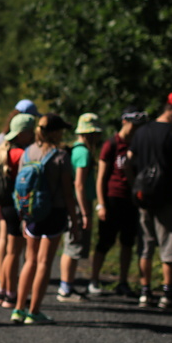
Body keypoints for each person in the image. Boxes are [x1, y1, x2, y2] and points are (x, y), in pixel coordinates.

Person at [12, 114, 80, 325]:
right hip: (54, 213)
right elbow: (68, 193)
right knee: (44, 262)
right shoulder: (60, 156)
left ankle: (18, 309)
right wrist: (75, 221)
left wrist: (24, 216)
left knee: (29, 260)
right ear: (56, 132)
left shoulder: (28, 152)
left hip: (32, 213)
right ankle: (34, 312)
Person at [127, 93, 172, 308]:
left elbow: (129, 159)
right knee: (168, 244)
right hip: (168, 196)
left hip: (143, 196)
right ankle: (167, 293)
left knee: (145, 244)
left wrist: (134, 183)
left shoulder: (142, 131)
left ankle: (145, 292)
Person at [91, 106, 147, 298]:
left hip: (130, 200)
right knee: (105, 241)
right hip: (112, 198)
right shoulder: (111, 144)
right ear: (125, 121)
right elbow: (101, 177)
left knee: (127, 242)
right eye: (134, 124)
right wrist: (101, 204)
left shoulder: (138, 144)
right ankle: (94, 280)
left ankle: (123, 282)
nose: (136, 128)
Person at [0, 112, 36, 309]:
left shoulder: (4, 149)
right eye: (30, 132)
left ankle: (3, 291)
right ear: (23, 133)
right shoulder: (20, 154)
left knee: (8, 251)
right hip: (16, 207)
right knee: (14, 251)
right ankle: (11, 294)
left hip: (4, 206)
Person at [57, 113, 102, 303]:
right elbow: (80, 185)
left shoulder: (76, 150)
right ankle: (65, 288)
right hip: (78, 204)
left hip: (74, 203)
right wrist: (85, 213)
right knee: (73, 246)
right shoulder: (83, 153)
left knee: (71, 246)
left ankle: (67, 286)